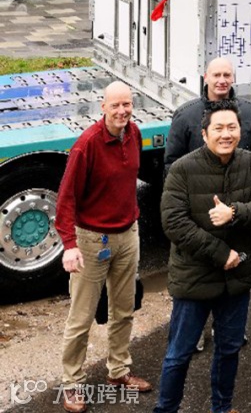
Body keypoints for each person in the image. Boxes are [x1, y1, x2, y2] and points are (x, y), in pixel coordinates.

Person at [155, 101, 251, 413]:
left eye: (232, 127)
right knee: (179, 354)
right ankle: (165, 409)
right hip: (195, 277)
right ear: (204, 134)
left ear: (240, 131)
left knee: (229, 349)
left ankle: (222, 407)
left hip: (236, 278)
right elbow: (173, 223)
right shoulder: (183, 169)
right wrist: (221, 254)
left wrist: (234, 212)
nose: (226, 134)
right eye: (218, 128)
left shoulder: (248, 162)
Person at [56, 82, 153, 413]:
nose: (122, 111)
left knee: (124, 310)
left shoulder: (134, 133)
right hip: (92, 240)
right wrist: (69, 244)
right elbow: (66, 198)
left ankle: (118, 371)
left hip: (128, 234)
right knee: (81, 317)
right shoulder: (87, 145)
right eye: (116, 105)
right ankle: (72, 383)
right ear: (103, 107)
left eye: (127, 104)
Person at [164, 56, 251, 353]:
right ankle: (195, 330)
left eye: (227, 75)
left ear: (233, 78)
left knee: (231, 303)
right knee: (195, 292)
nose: (222, 80)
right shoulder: (186, 115)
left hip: (234, 222)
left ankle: (229, 329)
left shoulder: (248, 112)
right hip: (198, 217)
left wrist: (245, 203)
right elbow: (171, 163)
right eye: (216, 75)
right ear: (205, 76)